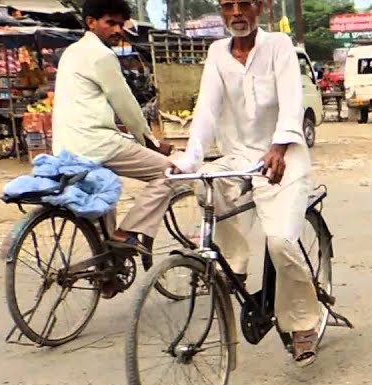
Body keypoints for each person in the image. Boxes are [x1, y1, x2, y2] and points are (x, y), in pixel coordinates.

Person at [173, 0, 324, 366]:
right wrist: (190, 159)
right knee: (204, 184)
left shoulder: (279, 46)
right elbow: (206, 111)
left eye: (245, 4)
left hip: (284, 155)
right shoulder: (217, 53)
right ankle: (233, 262)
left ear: (261, 8)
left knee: (280, 242)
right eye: (228, 5)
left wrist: (279, 146)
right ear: (222, 11)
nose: (237, 12)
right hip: (240, 157)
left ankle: (302, 323)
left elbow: (291, 101)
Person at [52, 0, 174, 263]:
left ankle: (108, 272)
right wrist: (150, 141)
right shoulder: (102, 55)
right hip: (96, 144)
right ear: (91, 22)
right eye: (111, 23)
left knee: (103, 201)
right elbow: (126, 105)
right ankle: (126, 232)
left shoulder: (71, 52)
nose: (118, 29)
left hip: (66, 147)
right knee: (168, 172)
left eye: (121, 24)